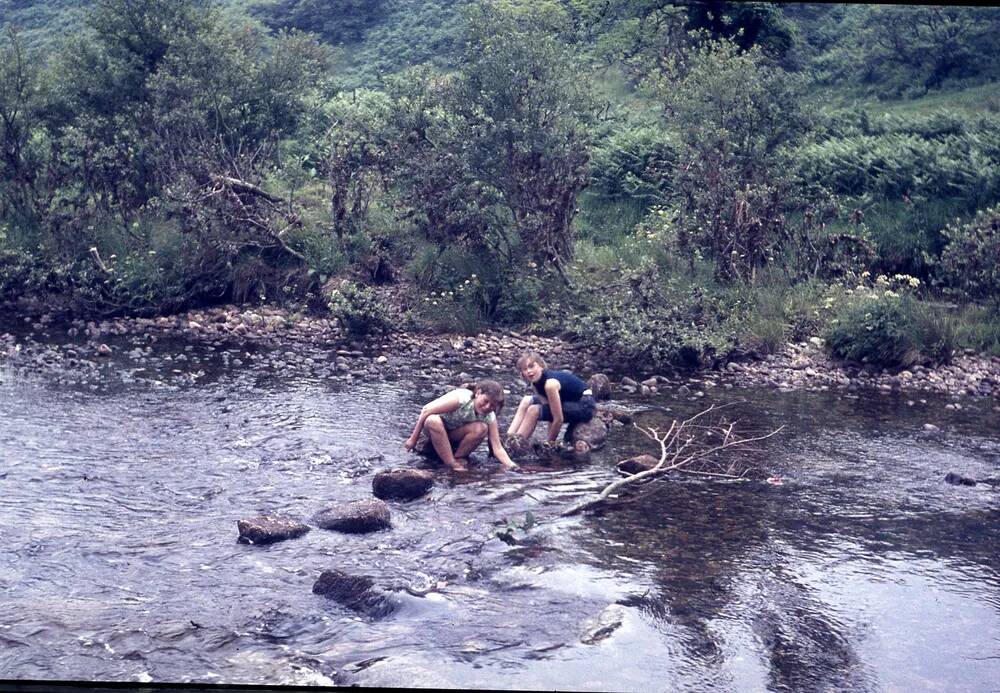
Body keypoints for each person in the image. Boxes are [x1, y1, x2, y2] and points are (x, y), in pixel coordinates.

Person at [404, 380, 517, 472]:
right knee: (433, 420)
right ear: (478, 393)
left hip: (453, 434)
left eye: (492, 405)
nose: (487, 407)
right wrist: (413, 439)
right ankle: (451, 463)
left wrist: (513, 466)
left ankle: (458, 457)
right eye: (485, 401)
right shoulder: (461, 399)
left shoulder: (489, 416)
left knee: (482, 428)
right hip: (434, 430)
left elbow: (497, 447)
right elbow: (426, 411)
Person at [507, 352, 595, 444]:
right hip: (569, 401)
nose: (529, 371)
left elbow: (558, 419)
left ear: (541, 366)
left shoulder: (550, 384)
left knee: (533, 410)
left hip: (585, 405)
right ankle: (509, 437)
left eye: (532, 366)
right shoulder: (535, 385)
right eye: (525, 369)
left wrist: (549, 444)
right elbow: (550, 413)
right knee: (526, 400)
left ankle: (517, 444)